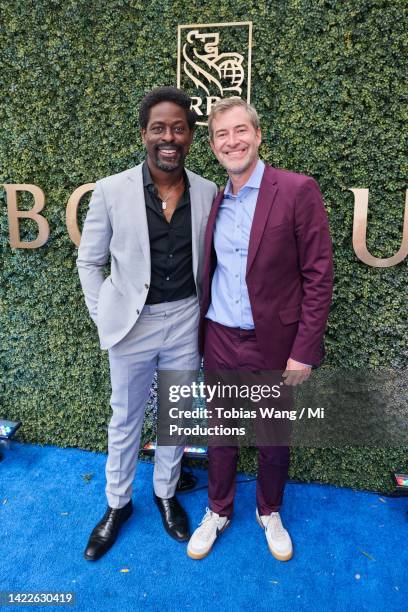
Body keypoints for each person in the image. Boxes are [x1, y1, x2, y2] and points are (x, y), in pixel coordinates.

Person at [187, 97, 333, 561]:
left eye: (240, 131)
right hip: (220, 338)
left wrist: (304, 350)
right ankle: (218, 509)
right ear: (212, 146)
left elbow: (319, 274)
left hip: (275, 344)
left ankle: (269, 511)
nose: (232, 141)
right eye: (222, 135)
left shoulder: (295, 190)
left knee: (273, 437)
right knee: (221, 434)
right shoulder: (212, 199)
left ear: (257, 134)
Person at [76, 86, 217, 561]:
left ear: (191, 136)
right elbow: (89, 262)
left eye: (178, 127)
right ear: (144, 135)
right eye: (159, 127)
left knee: (175, 414)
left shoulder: (208, 191)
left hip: (184, 319)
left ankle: (165, 492)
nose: (168, 136)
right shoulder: (111, 190)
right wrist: (105, 316)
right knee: (125, 417)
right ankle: (118, 504)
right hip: (130, 326)